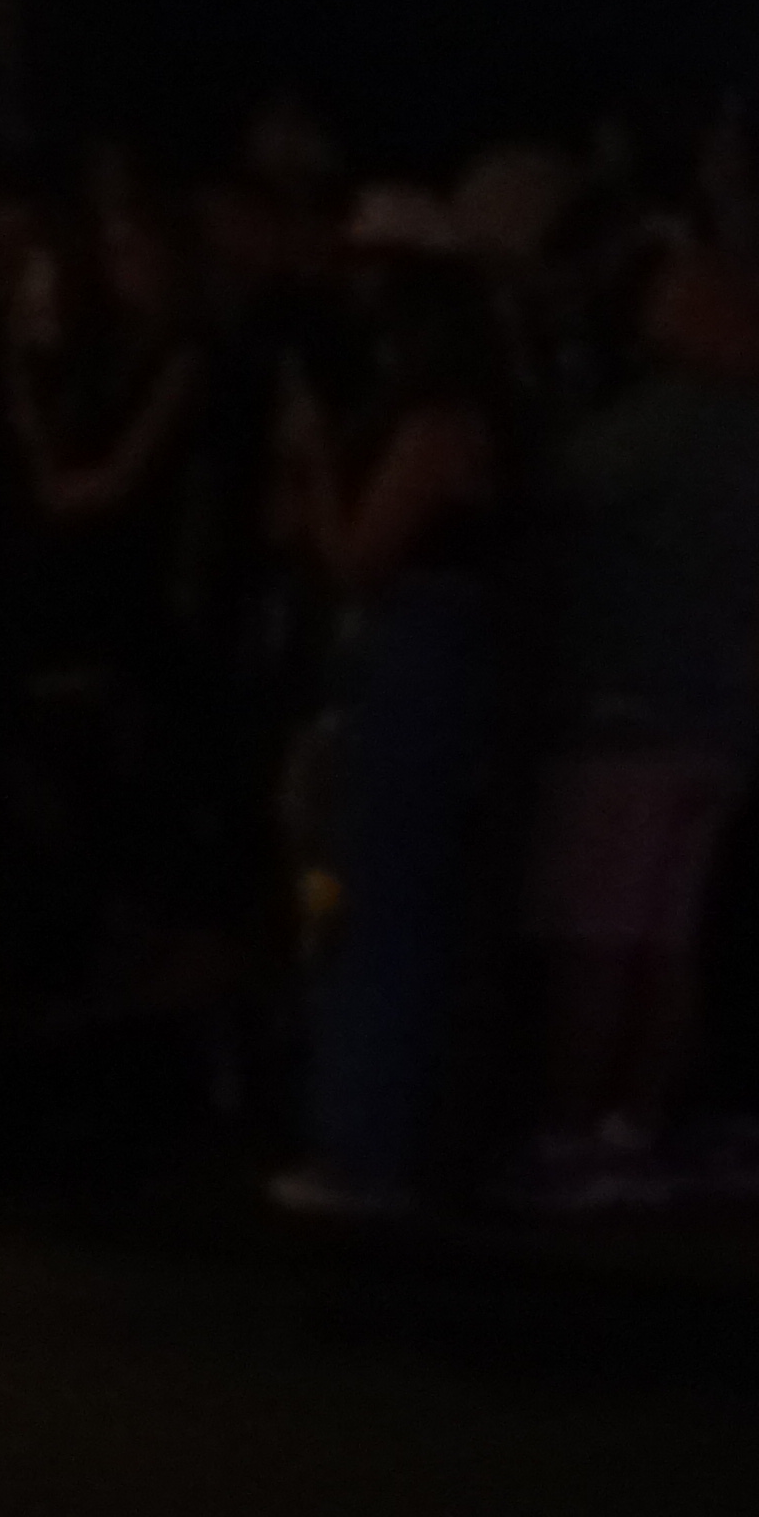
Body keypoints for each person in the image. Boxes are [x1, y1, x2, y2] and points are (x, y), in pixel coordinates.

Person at [518, 238, 759, 1203]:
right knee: (665, 936)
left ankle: (571, 1130)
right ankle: (634, 1124)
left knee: (598, 932)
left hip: (628, 703)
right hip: (719, 709)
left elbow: (554, 487)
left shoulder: (658, 428)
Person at [271, 223, 511, 1216]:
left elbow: (361, 559)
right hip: (421, 659)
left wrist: (318, 465)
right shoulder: (465, 426)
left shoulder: (435, 431)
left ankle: (363, 1139)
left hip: (412, 656)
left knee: (377, 899)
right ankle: (377, 1130)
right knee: (374, 894)